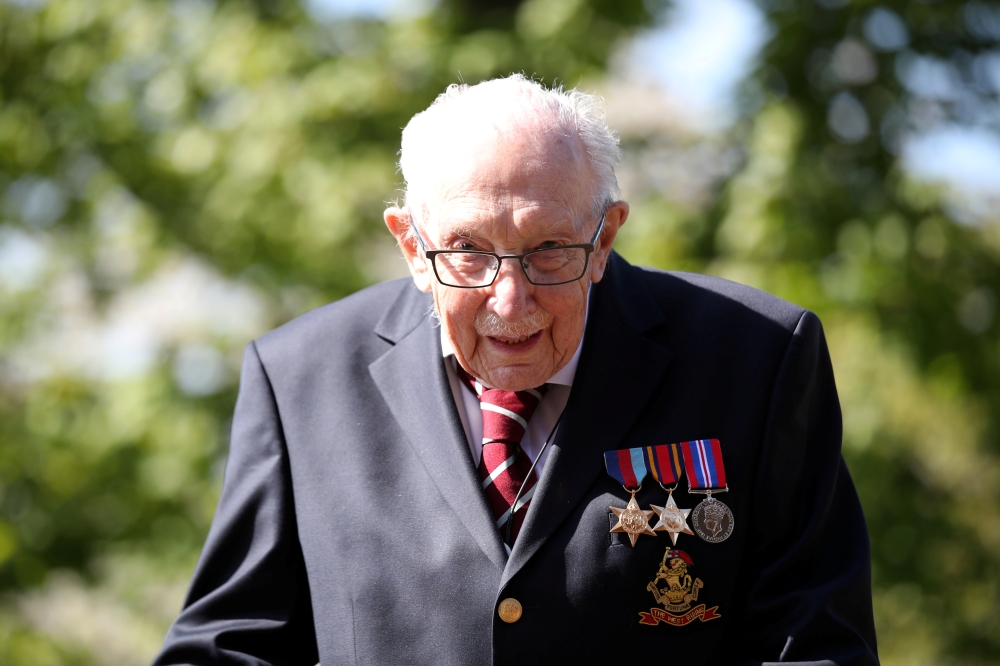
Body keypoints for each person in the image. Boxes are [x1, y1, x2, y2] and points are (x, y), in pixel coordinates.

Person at [154, 75, 879, 665]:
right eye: (466, 250)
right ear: (411, 246)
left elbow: (815, 646)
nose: (511, 297)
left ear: (606, 237)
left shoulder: (757, 357)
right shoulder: (298, 379)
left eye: (550, 249)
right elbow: (230, 647)